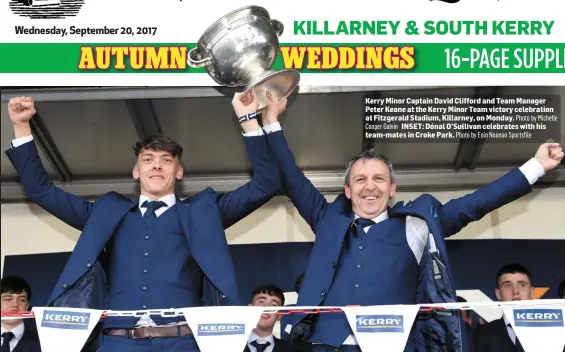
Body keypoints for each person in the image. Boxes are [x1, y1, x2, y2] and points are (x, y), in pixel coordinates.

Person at [258, 93, 564, 352]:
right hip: (323, 345)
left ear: (392, 189)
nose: (370, 186)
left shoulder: (417, 225)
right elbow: (292, 177)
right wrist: (271, 120)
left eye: (379, 179)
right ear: (348, 191)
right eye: (360, 179)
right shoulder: (326, 219)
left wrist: (537, 166)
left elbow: (477, 203)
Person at [4, 92, 281, 352]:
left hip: (183, 343)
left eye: (166, 160)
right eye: (148, 160)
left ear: (179, 171)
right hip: (118, 343)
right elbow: (42, 191)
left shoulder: (204, 212)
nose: (157, 166)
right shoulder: (106, 213)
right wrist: (21, 126)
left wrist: (247, 120)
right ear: (137, 171)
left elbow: (266, 184)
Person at [474, 264, 534, 352]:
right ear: (498, 294)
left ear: (531, 292)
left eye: (522, 285)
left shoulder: (551, 331)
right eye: (507, 285)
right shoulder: (482, 334)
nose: (515, 292)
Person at [246, 284, 298, 352]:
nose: (267, 307)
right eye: (261, 302)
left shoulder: (292, 350)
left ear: (279, 315)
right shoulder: (229, 345)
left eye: (274, 305)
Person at [1, 276, 42, 352]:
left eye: (22, 300)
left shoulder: (43, 341)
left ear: (27, 306)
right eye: (7, 299)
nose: (15, 304)